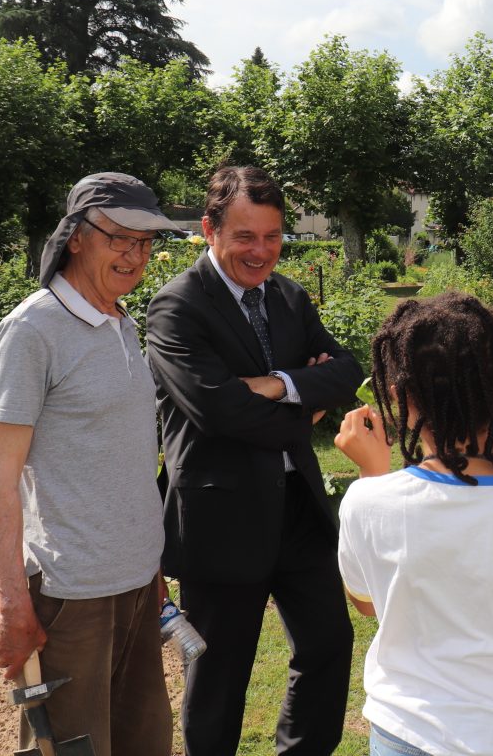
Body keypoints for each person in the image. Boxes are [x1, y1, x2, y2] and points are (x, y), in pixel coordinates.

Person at [146, 165, 363, 755]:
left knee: (328, 644)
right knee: (219, 676)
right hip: (222, 519)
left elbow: (346, 373)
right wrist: (303, 403)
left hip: (299, 510)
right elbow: (218, 412)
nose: (261, 251)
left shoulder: (290, 296)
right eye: (245, 236)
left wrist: (268, 384)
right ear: (210, 230)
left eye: (272, 237)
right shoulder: (176, 308)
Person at [335, 293, 493, 756]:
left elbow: (371, 603)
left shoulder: (365, 501)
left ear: (398, 395)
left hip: (400, 737)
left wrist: (372, 476)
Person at [0, 172, 183, 756]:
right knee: (75, 748)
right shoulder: (33, 330)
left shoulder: (121, 322)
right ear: (76, 237)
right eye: (118, 237)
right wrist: (13, 603)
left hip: (137, 583)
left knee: (144, 742)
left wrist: (154, 572)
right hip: (72, 594)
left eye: (145, 242)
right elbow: (0, 474)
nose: (134, 254)